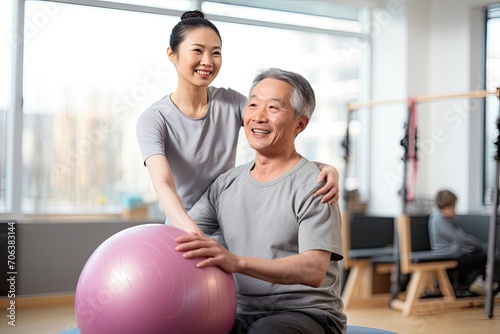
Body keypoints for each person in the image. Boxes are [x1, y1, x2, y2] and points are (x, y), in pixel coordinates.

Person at [136, 10, 340, 236]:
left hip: (229, 226)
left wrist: (321, 168)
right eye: (197, 51)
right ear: (172, 54)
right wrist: (193, 234)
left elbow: (274, 129)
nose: (207, 61)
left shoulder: (230, 101)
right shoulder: (154, 119)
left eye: (216, 53)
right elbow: (163, 184)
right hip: (183, 228)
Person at [175, 68, 346, 334]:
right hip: (239, 312)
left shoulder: (318, 185)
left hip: (306, 314)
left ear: (300, 124)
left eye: (273, 108)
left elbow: (313, 269)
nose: (259, 116)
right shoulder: (226, 184)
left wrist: (237, 262)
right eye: (253, 104)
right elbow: (181, 234)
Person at [428, 189, 499, 295]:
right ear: (444, 207)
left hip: (454, 253)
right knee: (482, 257)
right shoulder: (438, 219)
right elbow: (459, 237)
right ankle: (479, 284)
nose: (454, 210)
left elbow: (460, 237)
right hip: (447, 255)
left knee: (478, 254)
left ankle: (472, 285)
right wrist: (481, 244)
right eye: (452, 207)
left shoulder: (446, 219)